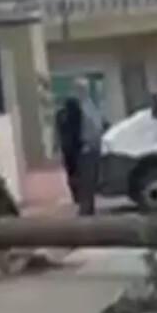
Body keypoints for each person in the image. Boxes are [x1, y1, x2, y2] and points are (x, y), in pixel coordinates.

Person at [73, 78, 107, 216]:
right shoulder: (77, 106)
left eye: (85, 88)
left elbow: (97, 124)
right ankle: (85, 207)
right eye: (81, 88)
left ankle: (89, 207)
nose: (84, 90)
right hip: (85, 147)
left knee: (91, 179)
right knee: (85, 180)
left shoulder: (90, 105)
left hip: (94, 147)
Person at [55, 96, 84, 200]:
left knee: (71, 172)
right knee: (80, 171)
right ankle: (80, 192)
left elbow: (58, 131)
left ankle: (75, 194)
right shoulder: (78, 114)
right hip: (78, 147)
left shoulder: (61, 115)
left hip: (67, 148)